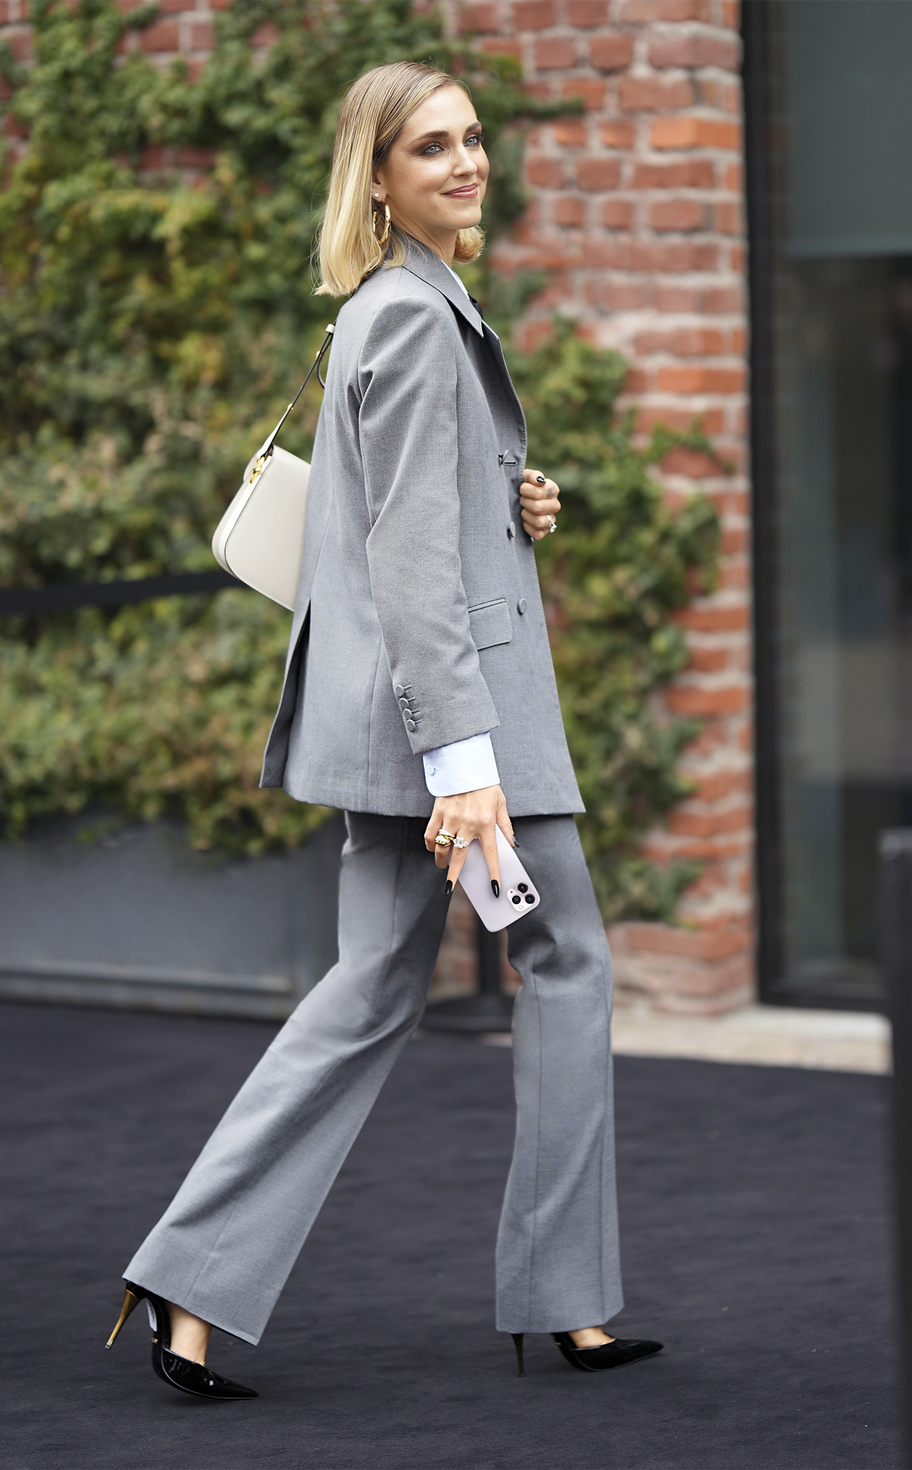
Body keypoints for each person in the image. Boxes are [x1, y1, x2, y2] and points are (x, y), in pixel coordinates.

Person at [105, 60, 662, 1399]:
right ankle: (566, 1297)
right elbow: (410, 569)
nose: (467, 162)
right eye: (431, 148)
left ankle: (188, 1277)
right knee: (569, 962)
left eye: (472, 138)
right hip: (464, 735)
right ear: (379, 179)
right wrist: (465, 770)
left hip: (399, 727)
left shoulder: (390, 304)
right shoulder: (414, 318)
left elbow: (403, 510)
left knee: (368, 989)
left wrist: (509, 497)